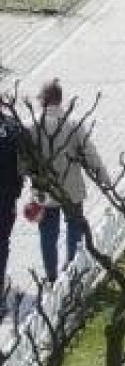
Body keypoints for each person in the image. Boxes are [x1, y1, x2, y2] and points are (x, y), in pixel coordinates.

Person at [25, 80, 106, 283]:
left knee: (48, 234)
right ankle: (72, 272)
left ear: (43, 100)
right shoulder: (72, 123)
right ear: (60, 100)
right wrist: (103, 177)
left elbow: (23, 159)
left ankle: (52, 276)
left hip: (45, 190)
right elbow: (90, 152)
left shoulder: (30, 125)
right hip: (71, 188)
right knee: (74, 228)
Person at [0, 104, 26, 287]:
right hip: (6, 198)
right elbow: (22, 164)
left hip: (7, 196)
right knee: (1, 244)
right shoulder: (13, 127)